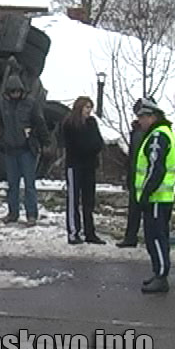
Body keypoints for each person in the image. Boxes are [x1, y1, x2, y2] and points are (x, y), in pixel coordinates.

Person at [133, 98, 175, 294]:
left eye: (142, 117)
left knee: (156, 237)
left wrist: (145, 194)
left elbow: (155, 169)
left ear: (151, 117)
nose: (139, 121)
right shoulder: (162, 133)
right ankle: (158, 271)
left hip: (156, 198)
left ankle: (161, 275)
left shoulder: (157, 136)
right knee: (157, 236)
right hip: (160, 197)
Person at [0, 74, 50, 227]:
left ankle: (31, 214)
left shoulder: (30, 103)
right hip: (10, 150)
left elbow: (39, 122)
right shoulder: (2, 105)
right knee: (12, 185)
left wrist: (45, 141)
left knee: (29, 185)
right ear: (8, 92)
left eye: (17, 91)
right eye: (13, 92)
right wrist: (3, 136)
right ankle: (13, 213)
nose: (15, 94)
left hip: (27, 149)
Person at [61, 96, 105, 244]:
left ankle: (90, 232)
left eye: (90, 107)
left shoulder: (92, 123)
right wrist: (89, 147)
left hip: (89, 165)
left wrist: (92, 148)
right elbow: (75, 145)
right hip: (75, 165)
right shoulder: (70, 124)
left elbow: (98, 142)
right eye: (86, 107)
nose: (88, 111)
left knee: (89, 200)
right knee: (73, 200)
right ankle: (73, 232)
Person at [117, 98, 150, 248]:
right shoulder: (137, 131)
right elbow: (133, 155)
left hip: (145, 176)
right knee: (134, 209)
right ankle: (131, 237)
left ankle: (142, 237)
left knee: (147, 210)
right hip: (136, 175)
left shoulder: (151, 132)